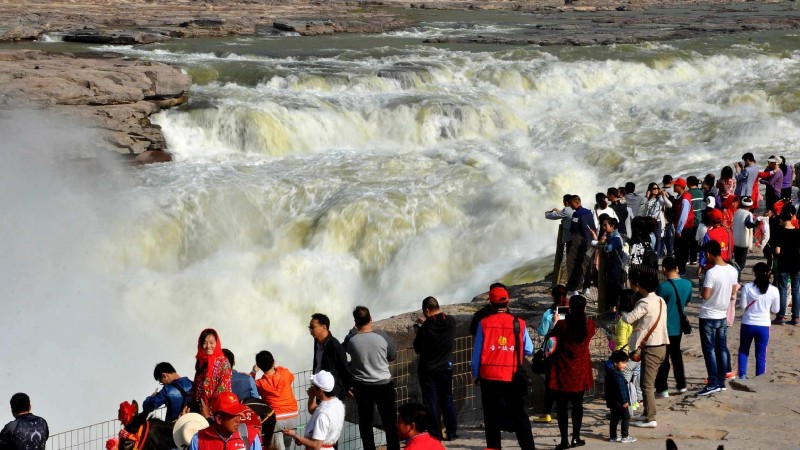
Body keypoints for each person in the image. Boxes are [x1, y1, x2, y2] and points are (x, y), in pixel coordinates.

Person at [471, 286, 535, 450]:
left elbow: (477, 353)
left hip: (489, 376)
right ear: (508, 303)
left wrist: (475, 374)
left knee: (491, 417)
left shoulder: (484, 323)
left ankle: (494, 447)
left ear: (491, 305)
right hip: (512, 374)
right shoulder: (519, 323)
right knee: (520, 415)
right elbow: (529, 349)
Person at [343, 306, 399, 450]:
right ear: (371, 318)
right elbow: (392, 355)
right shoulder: (382, 336)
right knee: (390, 421)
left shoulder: (350, 339)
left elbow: (344, 353)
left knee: (366, 423)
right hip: (383, 384)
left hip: (362, 386)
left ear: (355, 322)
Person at [546, 295, 595, 449]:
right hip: (580, 370)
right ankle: (576, 437)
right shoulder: (589, 326)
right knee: (577, 406)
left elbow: (551, 338)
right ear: (585, 308)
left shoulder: (561, 325)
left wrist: (555, 321)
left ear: (570, 308)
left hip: (563, 369)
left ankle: (564, 441)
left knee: (561, 408)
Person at [621, 270, 668, 429]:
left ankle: (651, 418)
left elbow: (629, 319)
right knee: (645, 382)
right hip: (661, 346)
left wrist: (623, 312)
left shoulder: (644, 302)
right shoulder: (661, 300)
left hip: (651, 348)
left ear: (642, 287)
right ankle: (647, 412)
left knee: (647, 384)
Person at [697, 240, 739, 396]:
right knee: (721, 349)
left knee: (709, 350)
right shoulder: (732, 270)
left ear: (708, 254)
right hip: (722, 314)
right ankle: (720, 382)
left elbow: (706, 295)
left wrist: (702, 289)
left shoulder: (711, 272)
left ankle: (713, 382)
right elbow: (733, 291)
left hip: (708, 315)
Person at [412, 296, 458, 441]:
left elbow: (418, 348)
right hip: (446, 367)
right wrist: (426, 323)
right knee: (447, 399)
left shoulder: (425, 328)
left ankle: (435, 434)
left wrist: (419, 328)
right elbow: (437, 325)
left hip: (428, 370)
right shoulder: (450, 321)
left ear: (426, 310)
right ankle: (452, 432)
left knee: (430, 402)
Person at [654, 257, 690, 397]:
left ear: (663, 269)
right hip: (678, 326)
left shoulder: (663, 287)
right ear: (677, 268)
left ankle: (662, 388)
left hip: (664, 327)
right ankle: (681, 384)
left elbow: (657, 305)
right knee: (676, 356)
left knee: (663, 358)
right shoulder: (687, 284)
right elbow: (687, 301)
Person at [738, 262, 780, 379]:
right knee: (761, 354)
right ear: (768, 273)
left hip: (748, 323)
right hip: (763, 325)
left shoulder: (747, 287)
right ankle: (759, 379)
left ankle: (742, 376)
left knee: (743, 350)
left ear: (754, 273)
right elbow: (776, 310)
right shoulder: (774, 290)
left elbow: (742, 306)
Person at [283, 371, 345, 450]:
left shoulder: (322, 416)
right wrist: (311, 397)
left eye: (314, 386)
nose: (312, 387)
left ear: (320, 390)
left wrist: (295, 435)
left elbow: (316, 445)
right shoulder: (336, 405)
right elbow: (312, 410)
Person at [534, 285, 568, 423]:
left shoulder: (549, 313)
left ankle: (546, 413)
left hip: (551, 352)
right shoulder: (568, 311)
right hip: (565, 351)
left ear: (553, 296)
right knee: (562, 381)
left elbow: (542, 331)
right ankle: (561, 411)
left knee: (550, 382)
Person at [252, 351, 299, 450]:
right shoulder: (285, 373)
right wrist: (275, 365)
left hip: (276, 420)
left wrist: (253, 371)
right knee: (288, 446)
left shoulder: (260, 384)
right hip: (292, 415)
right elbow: (288, 374)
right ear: (273, 362)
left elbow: (250, 385)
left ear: (259, 366)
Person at [188, 392, 262, 450]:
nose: (238, 420)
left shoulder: (251, 436)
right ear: (219, 419)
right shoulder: (198, 439)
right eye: (233, 416)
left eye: (238, 414)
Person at [610, 290, 642, 412]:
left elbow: (621, 340)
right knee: (634, 382)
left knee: (623, 385)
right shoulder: (637, 316)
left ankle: (627, 410)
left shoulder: (623, 320)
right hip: (636, 353)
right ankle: (635, 402)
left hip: (624, 356)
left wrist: (613, 335)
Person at [309, 313, 352, 400]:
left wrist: (347, 388)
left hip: (333, 393)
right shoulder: (317, 342)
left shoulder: (335, 346)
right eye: (309, 327)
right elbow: (317, 364)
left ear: (324, 327)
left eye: (312, 327)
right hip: (319, 388)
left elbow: (344, 369)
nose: (310, 330)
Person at [191, 328, 232, 416]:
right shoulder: (201, 362)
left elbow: (223, 387)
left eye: (211, 343)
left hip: (215, 411)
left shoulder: (223, 362)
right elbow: (195, 386)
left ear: (217, 343)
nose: (208, 346)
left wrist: (209, 410)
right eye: (204, 343)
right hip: (199, 409)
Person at [566, 195, 597, 296]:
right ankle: (586, 288)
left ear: (577, 202)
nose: (570, 206)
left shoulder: (576, 214)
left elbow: (574, 229)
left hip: (581, 245)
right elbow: (593, 226)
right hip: (591, 244)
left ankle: (574, 289)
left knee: (577, 266)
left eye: (571, 204)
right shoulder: (589, 212)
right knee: (588, 265)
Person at [773, 209, 800, 325]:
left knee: (783, 290)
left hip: (784, 264)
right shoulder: (798, 232)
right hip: (796, 264)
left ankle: (781, 316)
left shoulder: (780, 232)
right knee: (796, 290)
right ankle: (796, 317)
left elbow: (777, 251)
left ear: (782, 220)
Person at [604, 351, 636, 444]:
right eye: (623, 362)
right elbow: (621, 389)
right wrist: (625, 401)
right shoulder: (617, 375)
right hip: (620, 402)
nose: (625, 365)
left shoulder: (609, 373)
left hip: (612, 402)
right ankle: (625, 437)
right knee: (626, 417)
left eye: (626, 362)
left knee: (614, 418)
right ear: (615, 362)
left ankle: (613, 437)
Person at [599, 217, 625, 313]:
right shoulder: (610, 236)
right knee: (609, 287)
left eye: (605, 225)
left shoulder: (616, 238)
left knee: (614, 288)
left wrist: (602, 244)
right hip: (611, 266)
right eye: (603, 225)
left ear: (612, 226)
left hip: (616, 267)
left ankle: (614, 310)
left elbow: (609, 248)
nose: (603, 227)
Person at [672, 178, 695, 276]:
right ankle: (679, 268)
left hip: (684, 228)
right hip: (682, 227)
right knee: (678, 249)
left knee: (682, 250)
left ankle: (681, 270)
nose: (673, 187)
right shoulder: (680, 197)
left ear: (680, 187)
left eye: (675, 185)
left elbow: (683, 215)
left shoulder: (685, 198)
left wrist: (679, 230)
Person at [642, 182, 671, 257]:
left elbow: (670, 205)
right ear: (650, 190)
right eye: (654, 188)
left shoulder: (660, 198)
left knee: (658, 239)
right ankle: (649, 255)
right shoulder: (647, 199)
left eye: (657, 188)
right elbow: (645, 211)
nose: (656, 190)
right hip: (648, 221)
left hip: (657, 221)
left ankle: (657, 256)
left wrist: (664, 195)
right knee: (648, 238)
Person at [732, 196, 757, 271]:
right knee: (741, 264)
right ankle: (737, 277)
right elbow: (748, 225)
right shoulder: (748, 214)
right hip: (743, 241)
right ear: (750, 206)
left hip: (735, 240)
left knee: (736, 261)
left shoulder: (737, 212)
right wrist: (756, 223)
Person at [687, 176, 704, 266]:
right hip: (700, 219)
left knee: (688, 240)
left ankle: (688, 258)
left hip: (690, 220)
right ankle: (694, 259)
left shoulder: (688, 193)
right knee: (695, 240)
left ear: (688, 183)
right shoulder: (701, 193)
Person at [661, 175, 677, 257]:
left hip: (662, 216)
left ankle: (663, 251)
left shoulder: (660, 191)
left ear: (663, 181)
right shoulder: (674, 191)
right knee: (671, 235)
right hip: (671, 216)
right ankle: (671, 251)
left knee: (664, 234)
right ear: (671, 181)